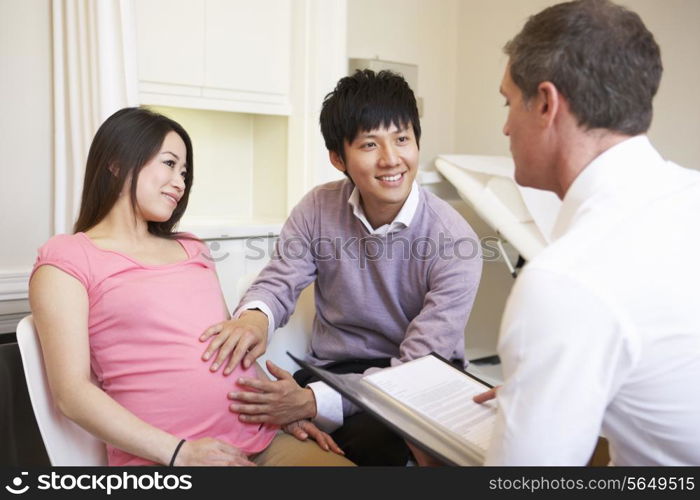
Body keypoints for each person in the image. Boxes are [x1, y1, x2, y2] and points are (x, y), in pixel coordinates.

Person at [28, 107, 353, 466]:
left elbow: (228, 350)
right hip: (169, 459)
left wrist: (281, 410)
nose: (181, 182)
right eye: (169, 164)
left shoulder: (191, 247)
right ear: (117, 162)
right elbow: (72, 394)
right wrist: (180, 453)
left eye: (184, 171)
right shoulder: (69, 257)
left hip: (261, 438)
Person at [199, 70, 483, 465]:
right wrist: (253, 320)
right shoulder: (318, 208)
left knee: (386, 439)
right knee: (242, 411)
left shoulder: (455, 240)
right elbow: (281, 279)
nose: (391, 159)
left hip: (421, 376)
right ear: (338, 158)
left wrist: (311, 403)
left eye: (402, 139)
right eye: (370, 144)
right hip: (335, 369)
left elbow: (421, 360)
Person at [459, 0, 700, 466]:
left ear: (546, 103)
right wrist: (552, 386)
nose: (506, 126)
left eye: (508, 102)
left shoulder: (565, 281)